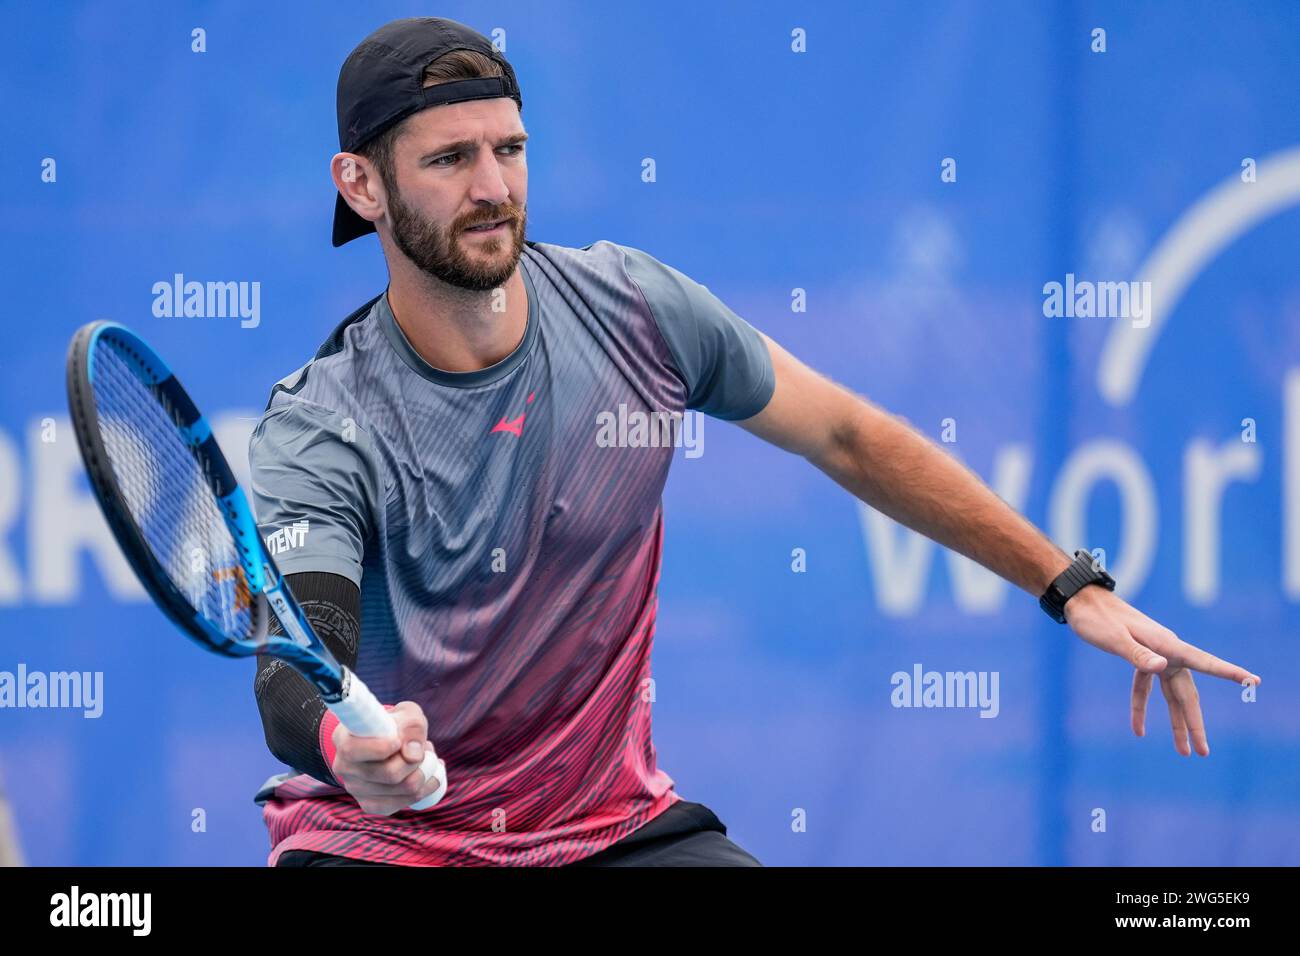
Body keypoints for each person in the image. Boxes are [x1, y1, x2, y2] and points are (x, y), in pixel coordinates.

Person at [249, 17, 1259, 867]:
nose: (492, 187)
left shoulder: (635, 310)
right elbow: (297, 666)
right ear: (361, 184)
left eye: (509, 149)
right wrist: (352, 740)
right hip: (384, 841)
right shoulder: (324, 422)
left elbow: (851, 436)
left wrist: (1066, 583)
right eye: (448, 158)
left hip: (607, 829)